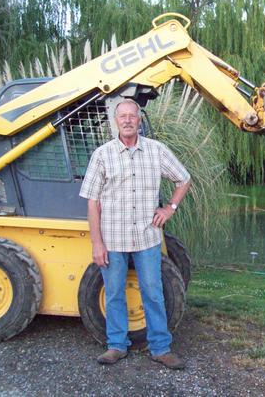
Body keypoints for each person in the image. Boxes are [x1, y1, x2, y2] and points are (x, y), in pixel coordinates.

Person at [79, 99, 191, 369]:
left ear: (139, 120)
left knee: (153, 292)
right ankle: (116, 346)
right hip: (113, 239)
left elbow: (183, 178)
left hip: (147, 238)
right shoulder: (102, 155)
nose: (128, 120)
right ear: (115, 121)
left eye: (133, 116)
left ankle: (161, 348)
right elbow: (92, 201)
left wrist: (170, 208)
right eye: (123, 116)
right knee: (115, 292)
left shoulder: (156, 151)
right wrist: (97, 243)